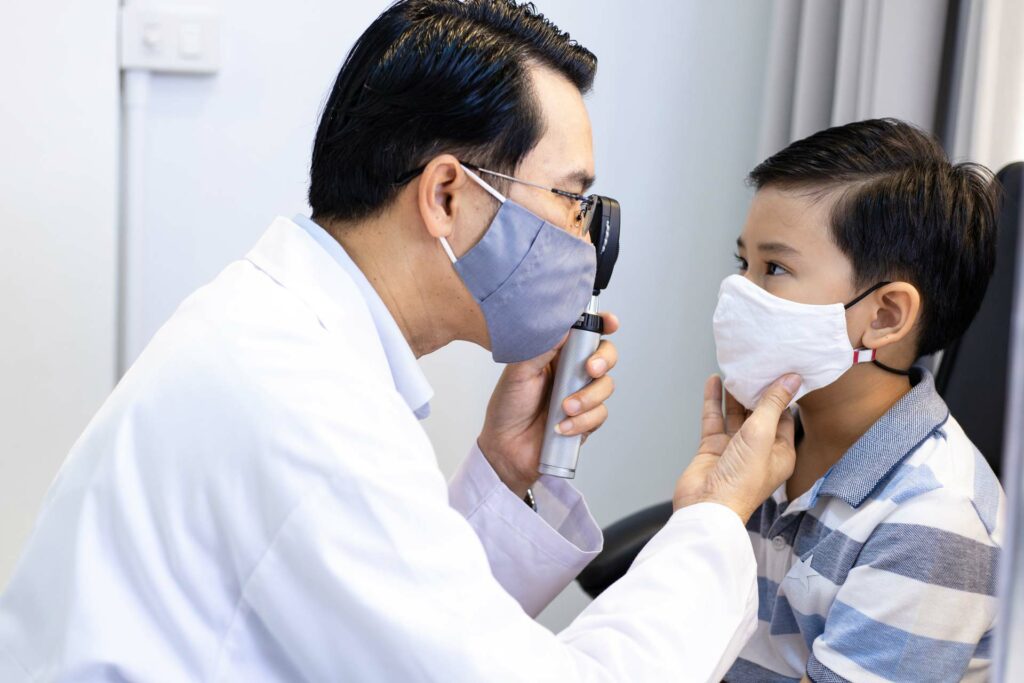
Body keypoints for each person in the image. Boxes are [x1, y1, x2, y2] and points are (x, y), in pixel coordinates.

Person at [0, 1, 799, 680]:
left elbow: (396, 626)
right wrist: (715, 519)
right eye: (569, 199)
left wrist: (500, 475)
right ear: (447, 193)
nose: (585, 241)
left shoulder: (286, 337)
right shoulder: (304, 399)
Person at [714, 118, 1003, 682]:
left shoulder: (934, 517)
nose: (738, 292)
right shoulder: (765, 438)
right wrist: (711, 513)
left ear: (885, 315)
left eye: (775, 268)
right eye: (741, 262)